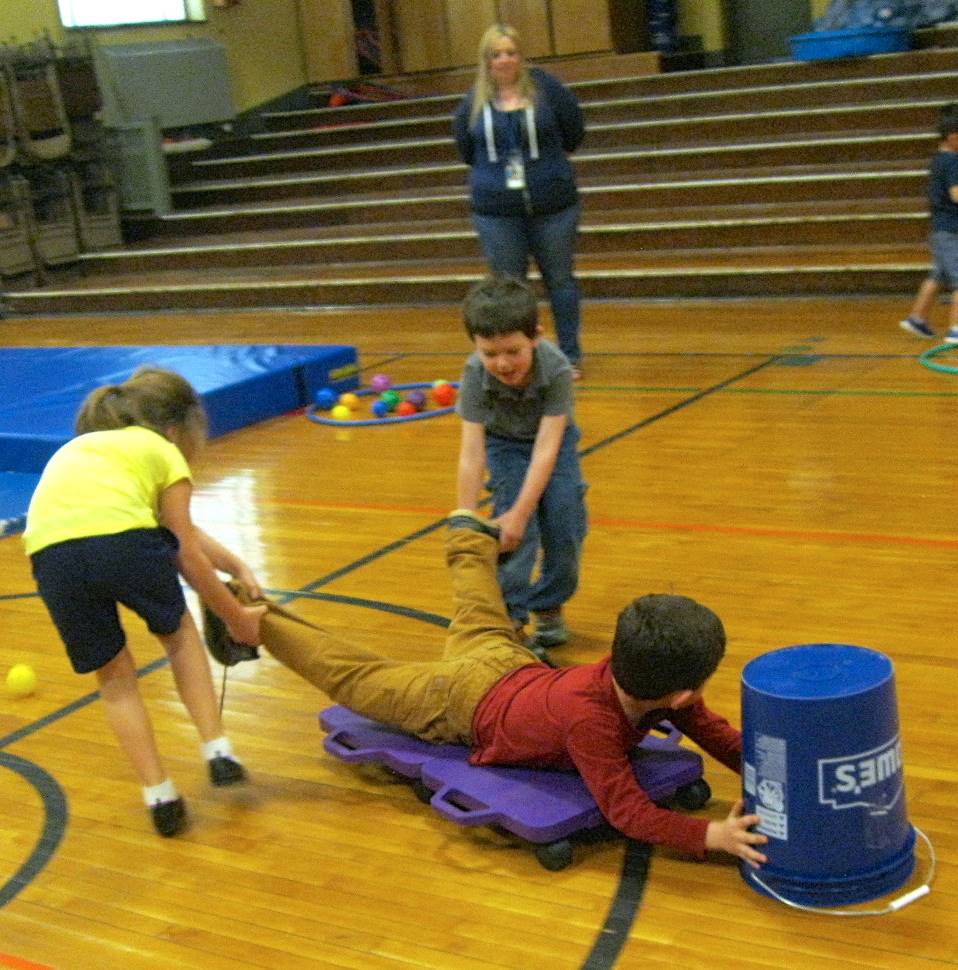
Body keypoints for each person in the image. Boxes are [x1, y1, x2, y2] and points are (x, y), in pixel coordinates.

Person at [204, 511, 768, 866]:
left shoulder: (635, 675)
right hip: (457, 701)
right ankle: (255, 621)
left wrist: (769, 773)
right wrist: (709, 836)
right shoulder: (591, 721)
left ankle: (468, 536)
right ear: (676, 695)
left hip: (508, 662)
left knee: (480, 607)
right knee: (353, 676)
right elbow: (626, 812)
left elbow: (718, 736)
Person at [22, 367, 266, 837]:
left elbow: (179, 534)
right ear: (176, 429)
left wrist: (236, 565)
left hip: (51, 556)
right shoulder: (161, 449)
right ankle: (218, 751)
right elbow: (184, 550)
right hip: (122, 544)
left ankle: (160, 796)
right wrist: (235, 617)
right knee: (180, 639)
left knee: (114, 680)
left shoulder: (85, 451)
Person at [455, 273, 587, 657]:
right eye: (489, 353)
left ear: (537, 336)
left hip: (553, 445)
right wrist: (465, 516)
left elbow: (548, 446)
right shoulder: (474, 374)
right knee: (513, 536)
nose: (502, 363)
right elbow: (472, 450)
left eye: (513, 350)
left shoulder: (557, 368)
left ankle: (548, 602)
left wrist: (520, 511)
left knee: (566, 524)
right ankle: (510, 620)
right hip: (504, 446)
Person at [453, 24, 586, 378]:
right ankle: (515, 357)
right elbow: (467, 150)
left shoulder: (548, 90)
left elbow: (574, 131)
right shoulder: (473, 102)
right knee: (509, 291)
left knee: (560, 280)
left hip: (553, 206)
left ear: (521, 56)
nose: (505, 60)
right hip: (497, 213)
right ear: (486, 60)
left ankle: (569, 356)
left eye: (511, 52)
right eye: (496, 54)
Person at [900, 102, 958, 342]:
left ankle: (917, 318)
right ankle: (956, 329)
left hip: (939, 230)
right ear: (954, 137)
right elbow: (956, 194)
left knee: (938, 275)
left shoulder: (938, 159)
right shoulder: (954, 162)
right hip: (952, 232)